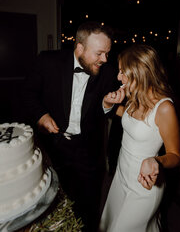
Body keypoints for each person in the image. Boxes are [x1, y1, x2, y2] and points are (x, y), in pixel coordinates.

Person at [23, 21, 120, 232]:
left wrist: (108, 105)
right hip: (53, 149)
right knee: (53, 207)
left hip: (89, 153)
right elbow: (28, 94)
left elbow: (110, 111)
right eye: (99, 53)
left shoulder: (108, 71)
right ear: (80, 48)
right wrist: (42, 116)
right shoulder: (48, 61)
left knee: (89, 209)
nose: (105, 59)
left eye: (107, 53)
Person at [99, 44, 180, 232]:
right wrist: (107, 103)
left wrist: (156, 161)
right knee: (109, 224)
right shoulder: (136, 98)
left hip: (145, 184)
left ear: (139, 72)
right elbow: (127, 117)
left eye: (122, 72)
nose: (118, 77)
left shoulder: (164, 108)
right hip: (121, 176)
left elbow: (175, 155)